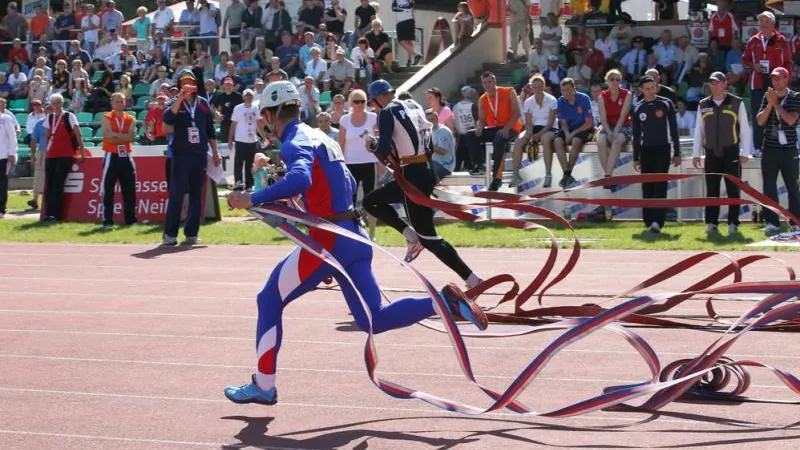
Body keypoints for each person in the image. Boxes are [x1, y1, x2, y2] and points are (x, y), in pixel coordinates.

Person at [223, 80, 487, 405]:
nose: (265, 124)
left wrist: (252, 197)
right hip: (353, 236)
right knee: (373, 318)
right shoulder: (322, 136)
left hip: (327, 242)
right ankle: (445, 303)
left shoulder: (294, 141)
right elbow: (343, 181)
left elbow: (300, 179)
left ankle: (264, 385)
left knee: (268, 300)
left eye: (265, 117)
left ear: (270, 113)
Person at [363, 80, 483, 287]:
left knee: (428, 237)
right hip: (424, 170)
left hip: (411, 174)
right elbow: (425, 145)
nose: (374, 107)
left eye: (373, 103)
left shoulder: (386, 112)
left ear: (379, 97)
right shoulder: (414, 105)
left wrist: (371, 145)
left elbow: (382, 148)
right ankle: (412, 236)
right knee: (371, 201)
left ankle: (472, 278)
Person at [162, 70, 221, 246]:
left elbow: (210, 129)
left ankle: (191, 233)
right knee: (177, 194)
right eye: (185, 82)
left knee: (196, 196)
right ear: (180, 85)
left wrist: (215, 152)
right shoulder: (175, 102)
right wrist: (180, 98)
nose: (188, 85)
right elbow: (167, 118)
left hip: (199, 155)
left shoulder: (203, 104)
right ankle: (170, 234)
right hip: (180, 155)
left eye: (191, 82)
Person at [692, 72, 752, 236]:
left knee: (733, 189)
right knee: (712, 190)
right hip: (710, 152)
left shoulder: (736, 102)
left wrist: (745, 152)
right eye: (712, 83)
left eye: (718, 83)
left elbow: (745, 129)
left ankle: (733, 223)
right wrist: (696, 153)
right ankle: (712, 223)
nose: (715, 85)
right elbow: (699, 131)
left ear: (725, 83)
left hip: (731, 151)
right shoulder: (703, 104)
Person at [632, 76, 681, 233]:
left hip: (663, 149)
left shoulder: (666, 104)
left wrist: (677, 152)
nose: (651, 91)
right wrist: (635, 157)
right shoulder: (638, 107)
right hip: (646, 150)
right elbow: (636, 134)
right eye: (647, 88)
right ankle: (648, 222)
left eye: (653, 87)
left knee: (660, 186)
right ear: (641, 90)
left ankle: (658, 223)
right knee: (647, 186)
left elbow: (674, 130)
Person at [755, 67, 800, 234]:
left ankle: (795, 221)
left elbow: (790, 120)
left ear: (786, 79)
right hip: (769, 148)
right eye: (773, 78)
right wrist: (769, 104)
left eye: (779, 78)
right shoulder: (767, 96)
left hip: (789, 149)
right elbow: (760, 121)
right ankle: (772, 222)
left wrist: (776, 104)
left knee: (792, 187)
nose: (775, 81)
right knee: (769, 187)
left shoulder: (795, 97)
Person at [743, 11, 792, 157]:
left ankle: (778, 146)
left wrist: (784, 80)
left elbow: (788, 63)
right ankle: (758, 148)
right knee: (758, 114)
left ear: (772, 23)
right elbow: (745, 61)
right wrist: (753, 66)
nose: (763, 24)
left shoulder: (781, 40)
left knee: (777, 114)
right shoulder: (753, 41)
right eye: (761, 21)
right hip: (757, 82)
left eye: (766, 21)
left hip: (776, 83)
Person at [42, 93, 87, 222]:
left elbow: (78, 135)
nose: (55, 106)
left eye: (58, 103)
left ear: (62, 103)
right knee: (49, 185)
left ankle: (55, 215)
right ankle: (48, 214)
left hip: (65, 155)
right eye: (53, 103)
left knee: (57, 184)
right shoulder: (49, 118)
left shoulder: (69, 116)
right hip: (51, 155)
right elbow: (47, 136)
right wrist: (46, 153)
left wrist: (82, 153)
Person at [475, 71, 522, 191]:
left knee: (499, 139)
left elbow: (517, 113)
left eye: (489, 81)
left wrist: (506, 128)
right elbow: (481, 120)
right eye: (484, 82)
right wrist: (479, 126)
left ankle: (497, 178)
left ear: (495, 82)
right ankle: (478, 165)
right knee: (469, 136)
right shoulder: (482, 99)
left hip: (511, 127)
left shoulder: (509, 91)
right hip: (494, 129)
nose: (487, 84)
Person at [510, 74, 558, 188]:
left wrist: (538, 135)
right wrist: (530, 133)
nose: (537, 90)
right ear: (531, 88)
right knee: (518, 141)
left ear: (544, 87)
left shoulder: (552, 100)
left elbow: (550, 123)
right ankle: (516, 174)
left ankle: (548, 175)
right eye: (534, 87)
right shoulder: (528, 102)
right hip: (534, 128)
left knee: (545, 139)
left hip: (550, 128)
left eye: (539, 87)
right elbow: (528, 123)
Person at [100, 93, 138, 230]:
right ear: (112, 102)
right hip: (111, 155)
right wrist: (125, 137)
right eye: (116, 101)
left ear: (125, 103)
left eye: (121, 101)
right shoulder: (106, 117)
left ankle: (131, 219)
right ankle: (107, 221)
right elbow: (108, 137)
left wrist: (117, 136)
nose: (119, 104)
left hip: (126, 156)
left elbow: (132, 137)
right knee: (108, 189)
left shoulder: (130, 118)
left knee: (129, 190)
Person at [554, 78, 594, 189]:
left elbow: (589, 123)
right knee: (557, 141)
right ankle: (566, 173)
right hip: (569, 129)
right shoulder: (560, 101)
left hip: (584, 128)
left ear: (574, 89)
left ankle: (567, 174)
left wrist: (573, 134)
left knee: (576, 141)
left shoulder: (584, 98)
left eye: (568, 89)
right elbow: (563, 122)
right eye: (563, 90)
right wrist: (567, 134)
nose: (565, 92)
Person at [596, 69, 633, 184]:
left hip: (623, 125)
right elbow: (603, 119)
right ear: (607, 81)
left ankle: (607, 176)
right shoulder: (602, 96)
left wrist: (615, 132)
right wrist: (608, 131)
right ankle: (609, 174)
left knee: (617, 140)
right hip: (607, 125)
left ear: (621, 81)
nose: (615, 81)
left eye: (618, 79)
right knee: (600, 140)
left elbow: (623, 116)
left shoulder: (627, 94)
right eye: (612, 79)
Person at [229, 89, 260, 190]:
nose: (249, 97)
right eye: (247, 95)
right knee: (238, 163)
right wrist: (230, 139)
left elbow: (259, 124)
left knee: (250, 163)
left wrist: (263, 137)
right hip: (240, 139)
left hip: (252, 140)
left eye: (250, 95)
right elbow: (233, 124)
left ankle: (249, 185)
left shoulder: (256, 108)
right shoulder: (238, 108)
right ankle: (238, 183)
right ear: (243, 97)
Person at [0, 110, 16, 219]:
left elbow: (12, 137)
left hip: (3, 155)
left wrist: (12, 153)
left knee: (1, 183)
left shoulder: (6, 119)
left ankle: (1, 209)